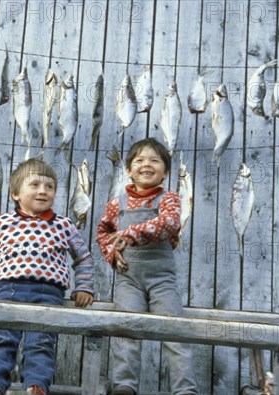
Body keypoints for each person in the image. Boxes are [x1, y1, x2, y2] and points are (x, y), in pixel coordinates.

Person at [0, 158, 95, 395]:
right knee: (2, 339)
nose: (43, 190)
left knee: (40, 342)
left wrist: (84, 287)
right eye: (35, 185)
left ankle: (36, 386)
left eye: (49, 186)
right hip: (6, 291)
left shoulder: (64, 225)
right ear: (15, 194)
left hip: (48, 294)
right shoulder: (1, 223)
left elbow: (83, 258)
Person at [97, 138, 199, 395]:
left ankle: (185, 389)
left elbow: (170, 224)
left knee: (174, 332)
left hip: (161, 277)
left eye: (155, 160)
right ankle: (124, 385)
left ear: (165, 172)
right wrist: (112, 253)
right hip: (127, 278)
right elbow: (103, 232)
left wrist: (129, 234)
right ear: (128, 170)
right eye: (139, 160)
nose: (146, 164)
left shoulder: (170, 199)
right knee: (127, 330)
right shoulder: (116, 203)